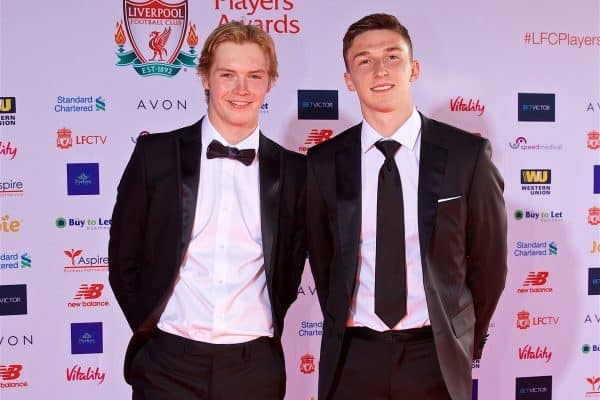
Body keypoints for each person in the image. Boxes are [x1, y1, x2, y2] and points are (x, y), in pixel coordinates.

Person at [306, 13, 507, 400]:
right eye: (364, 60)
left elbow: (490, 265)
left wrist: (462, 338)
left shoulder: (468, 155)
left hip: (435, 356)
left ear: (413, 69)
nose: (380, 69)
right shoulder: (323, 163)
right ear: (349, 80)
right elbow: (324, 262)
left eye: (392, 57)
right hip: (352, 356)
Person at [108, 21, 306, 400]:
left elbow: (292, 266)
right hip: (167, 364)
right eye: (227, 75)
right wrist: (154, 333)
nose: (241, 89)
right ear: (204, 78)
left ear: (270, 82)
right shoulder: (155, 156)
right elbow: (123, 262)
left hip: (256, 368)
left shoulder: (295, 172)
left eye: (254, 76)